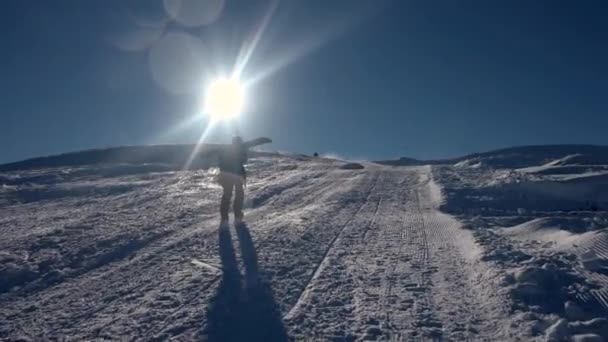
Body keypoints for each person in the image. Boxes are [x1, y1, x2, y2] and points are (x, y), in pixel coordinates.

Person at [217, 136, 247, 223]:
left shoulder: (227, 149)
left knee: (227, 194)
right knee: (239, 194)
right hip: (237, 175)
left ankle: (224, 217)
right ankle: (237, 215)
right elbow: (244, 160)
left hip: (227, 175)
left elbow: (221, 161)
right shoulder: (240, 150)